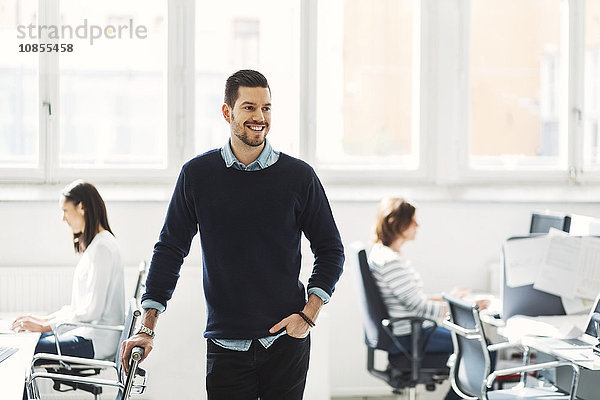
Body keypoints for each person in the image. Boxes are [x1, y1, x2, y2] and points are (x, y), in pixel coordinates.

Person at [120, 69, 345, 400]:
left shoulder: (299, 177)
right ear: (228, 112)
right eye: (249, 107)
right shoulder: (198, 175)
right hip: (226, 345)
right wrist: (146, 327)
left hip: (286, 342)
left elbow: (331, 250)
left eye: (266, 108)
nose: (260, 117)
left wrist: (309, 314)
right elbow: (170, 249)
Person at [368, 197, 489, 400]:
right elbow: (419, 307)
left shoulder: (385, 255)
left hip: (413, 332)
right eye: (413, 221)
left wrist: (449, 298)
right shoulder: (390, 262)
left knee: (478, 344)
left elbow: (413, 299)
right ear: (398, 224)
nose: (417, 225)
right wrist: (469, 308)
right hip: (412, 336)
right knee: (483, 351)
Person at [12, 180, 125, 361]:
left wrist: (44, 326)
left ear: (82, 208)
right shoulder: (98, 244)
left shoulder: (103, 247)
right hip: (87, 334)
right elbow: (80, 308)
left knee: (23, 349)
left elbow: (91, 312)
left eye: (65, 211)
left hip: (94, 340)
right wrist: (42, 321)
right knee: (24, 338)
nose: (63, 218)